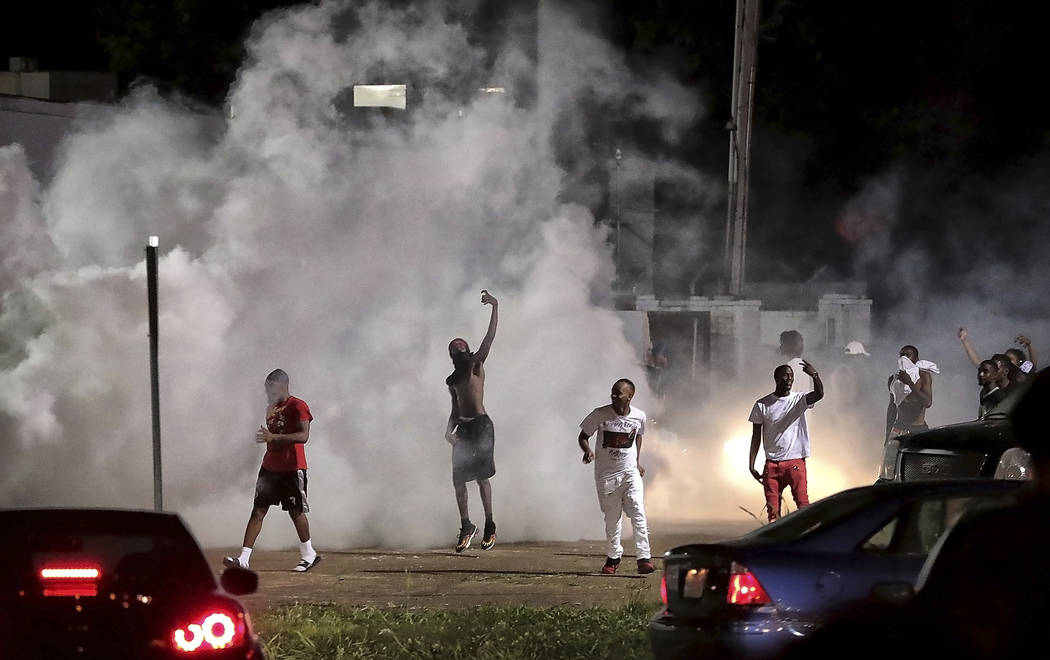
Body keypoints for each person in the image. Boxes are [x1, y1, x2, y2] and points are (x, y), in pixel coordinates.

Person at [224, 369, 320, 572]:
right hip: (269, 468)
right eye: (266, 388)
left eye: (271, 387)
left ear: (282, 386)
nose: (267, 391)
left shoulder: (298, 405)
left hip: (293, 469)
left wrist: (274, 438)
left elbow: (303, 436)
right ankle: (243, 559)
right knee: (258, 510)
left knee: (296, 511)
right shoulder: (270, 408)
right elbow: (271, 437)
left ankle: (309, 554)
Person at [578, 379, 655, 575]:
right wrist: (587, 451)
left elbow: (638, 436)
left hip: (630, 472)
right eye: (612, 392)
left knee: (638, 511)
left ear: (629, 396)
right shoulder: (600, 414)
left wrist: (637, 462)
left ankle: (644, 557)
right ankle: (613, 557)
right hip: (606, 475)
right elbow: (583, 436)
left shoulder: (639, 417)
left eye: (618, 393)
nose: (613, 396)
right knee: (612, 518)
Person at [446, 289, 499, 553]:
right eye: (455, 349)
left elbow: (489, 338)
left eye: (461, 347)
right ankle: (466, 525)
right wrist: (449, 430)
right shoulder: (452, 380)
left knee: (481, 477)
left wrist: (495, 306)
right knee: (459, 480)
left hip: (482, 426)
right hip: (464, 427)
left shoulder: (476, 365)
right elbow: (455, 409)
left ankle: (489, 525)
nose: (459, 350)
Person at [747, 361, 824, 522]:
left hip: (795, 462)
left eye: (792, 376)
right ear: (776, 378)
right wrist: (751, 463)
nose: (789, 379)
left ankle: (807, 539)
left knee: (803, 505)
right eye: (785, 375)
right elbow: (756, 437)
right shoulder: (762, 404)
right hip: (772, 465)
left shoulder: (799, 399)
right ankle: (775, 543)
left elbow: (819, 394)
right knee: (773, 513)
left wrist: (814, 375)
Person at [886, 345, 937, 440]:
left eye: (908, 355)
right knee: (892, 454)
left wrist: (909, 383)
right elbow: (892, 408)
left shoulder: (924, 376)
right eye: (902, 355)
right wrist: (887, 435)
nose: (904, 358)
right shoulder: (893, 379)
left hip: (918, 429)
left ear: (916, 359)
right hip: (899, 428)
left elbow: (928, 403)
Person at [958, 327, 1037, 376]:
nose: (1006, 361)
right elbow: (979, 363)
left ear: (1019, 363)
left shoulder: (1023, 375)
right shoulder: (998, 375)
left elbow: (1033, 365)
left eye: (1011, 359)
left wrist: (1029, 345)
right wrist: (964, 340)